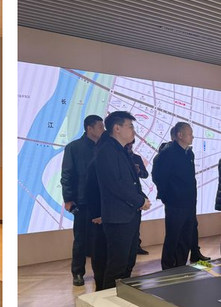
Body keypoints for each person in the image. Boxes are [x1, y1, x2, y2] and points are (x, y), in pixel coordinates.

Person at [94, 111, 151, 290]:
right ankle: (106, 301)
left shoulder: (122, 151)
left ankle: (119, 299)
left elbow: (130, 182)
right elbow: (115, 185)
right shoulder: (107, 151)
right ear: (117, 128)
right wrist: (139, 201)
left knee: (127, 263)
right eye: (130, 126)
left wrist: (142, 198)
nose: (134, 131)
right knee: (117, 266)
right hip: (118, 217)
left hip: (129, 215)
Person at [154, 122, 206, 268]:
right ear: (180, 135)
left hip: (189, 202)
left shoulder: (189, 153)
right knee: (173, 237)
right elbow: (158, 176)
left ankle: (181, 266)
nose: (192, 137)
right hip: (175, 203)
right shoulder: (168, 153)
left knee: (186, 237)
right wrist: (167, 196)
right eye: (190, 134)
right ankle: (168, 268)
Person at [62, 115, 105, 287]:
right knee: (81, 239)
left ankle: (99, 272)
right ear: (89, 128)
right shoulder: (74, 147)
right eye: (100, 127)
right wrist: (68, 198)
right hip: (82, 201)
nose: (103, 130)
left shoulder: (104, 147)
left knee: (99, 240)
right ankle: (78, 272)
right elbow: (67, 174)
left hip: (101, 201)